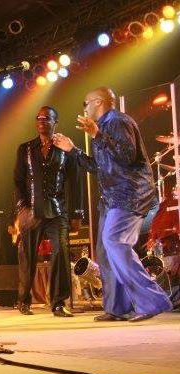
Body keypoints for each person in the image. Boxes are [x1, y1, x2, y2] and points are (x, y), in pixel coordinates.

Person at [53, 87, 173, 322]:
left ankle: (153, 301)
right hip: (111, 198)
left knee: (115, 242)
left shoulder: (118, 121)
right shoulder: (103, 127)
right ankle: (118, 308)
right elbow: (98, 167)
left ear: (99, 102)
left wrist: (97, 134)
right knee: (106, 252)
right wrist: (72, 150)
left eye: (85, 103)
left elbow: (127, 155)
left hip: (129, 194)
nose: (84, 109)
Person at [14, 106, 83, 317]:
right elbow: (18, 181)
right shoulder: (25, 149)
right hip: (32, 210)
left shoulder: (65, 148)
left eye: (47, 118)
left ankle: (58, 303)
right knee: (27, 256)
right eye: (39, 118)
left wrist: (77, 213)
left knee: (60, 252)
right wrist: (21, 208)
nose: (42, 121)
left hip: (57, 210)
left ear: (55, 122)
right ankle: (23, 300)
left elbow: (75, 182)